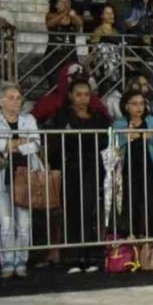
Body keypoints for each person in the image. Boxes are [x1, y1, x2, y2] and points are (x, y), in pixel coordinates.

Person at [45, 79, 110, 272]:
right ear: (71, 96)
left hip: (91, 167)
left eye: (86, 95)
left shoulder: (98, 117)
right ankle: (74, 256)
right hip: (69, 166)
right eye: (79, 94)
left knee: (88, 209)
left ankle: (90, 255)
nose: (83, 99)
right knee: (72, 210)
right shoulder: (62, 115)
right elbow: (59, 140)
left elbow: (103, 140)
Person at [0, 82, 40, 279]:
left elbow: (35, 144)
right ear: (0, 101)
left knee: (24, 222)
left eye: (18, 97)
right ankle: (7, 262)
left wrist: (10, 145)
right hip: (1, 176)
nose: (16, 101)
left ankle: (21, 261)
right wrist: (17, 143)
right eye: (11, 98)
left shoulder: (28, 119)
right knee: (6, 222)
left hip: (24, 174)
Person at [112, 90, 153, 242]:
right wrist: (128, 137)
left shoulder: (152, 122)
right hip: (128, 171)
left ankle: (151, 243)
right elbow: (114, 146)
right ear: (126, 106)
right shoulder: (119, 124)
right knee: (130, 206)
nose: (138, 108)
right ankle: (130, 241)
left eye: (141, 104)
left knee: (152, 206)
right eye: (134, 104)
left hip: (150, 170)